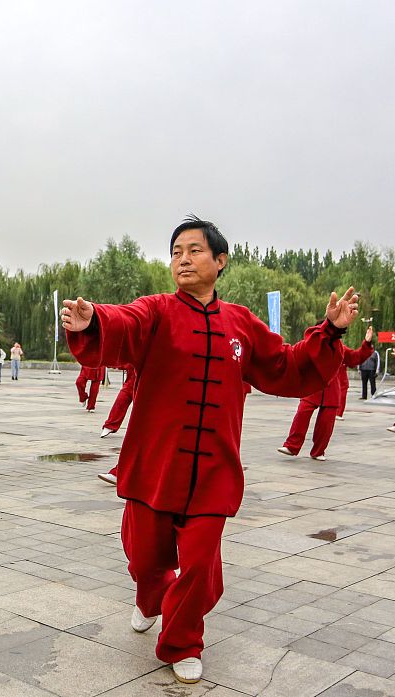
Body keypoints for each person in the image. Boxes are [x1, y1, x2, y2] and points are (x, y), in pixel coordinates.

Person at [62, 216, 357, 684]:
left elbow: (285, 365)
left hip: (213, 470)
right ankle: (148, 598)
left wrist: (330, 332)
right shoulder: (156, 310)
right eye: (177, 251)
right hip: (154, 465)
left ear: (220, 262)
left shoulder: (241, 323)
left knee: (200, 565)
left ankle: (182, 642)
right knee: (145, 562)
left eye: (194, 250)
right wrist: (95, 318)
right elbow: (126, 321)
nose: (183, 258)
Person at [278, 329, 374, 461]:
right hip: (311, 387)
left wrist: (366, 343)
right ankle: (292, 446)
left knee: (326, 423)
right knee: (302, 414)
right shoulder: (308, 345)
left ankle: (318, 451)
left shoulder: (340, 348)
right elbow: (294, 358)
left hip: (331, 389)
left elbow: (355, 358)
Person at [101, 366, 138, 438]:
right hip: (130, 382)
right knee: (120, 401)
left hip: (142, 383)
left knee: (140, 409)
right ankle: (110, 425)